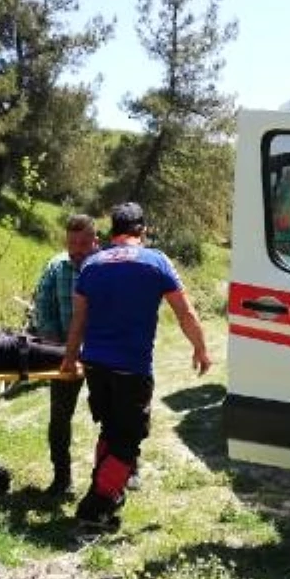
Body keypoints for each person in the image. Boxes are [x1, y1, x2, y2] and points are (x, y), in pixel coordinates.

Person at [60, 202, 211, 530]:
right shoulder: (156, 261)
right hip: (131, 367)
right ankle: (96, 507)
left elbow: (79, 319)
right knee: (128, 439)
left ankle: (108, 493)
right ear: (141, 231)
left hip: (96, 365)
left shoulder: (92, 265)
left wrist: (70, 357)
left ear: (112, 231)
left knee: (111, 430)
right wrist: (200, 348)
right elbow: (185, 313)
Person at [30, 214, 99, 496]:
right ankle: (62, 478)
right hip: (65, 354)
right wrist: (58, 348)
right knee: (60, 417)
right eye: (72, 242)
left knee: (112, 415)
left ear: (96, 241)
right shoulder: (56, 267)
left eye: (84, 243)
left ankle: (118, 475)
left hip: (101, 354)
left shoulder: (106, 267)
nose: (78, 249)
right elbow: (43, 308)